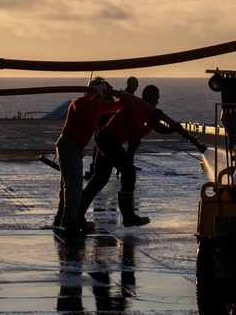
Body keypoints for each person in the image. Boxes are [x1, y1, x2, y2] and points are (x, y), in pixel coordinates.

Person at [76, 85, 190, 227]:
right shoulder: (134, 108)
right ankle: (128, 216)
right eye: (156, 98)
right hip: (108, 139)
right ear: (147, 97)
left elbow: (159, 129)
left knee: (100, 179)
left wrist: (173, 129)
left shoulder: (146, 110)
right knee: (128, 171)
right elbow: (136, 134)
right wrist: (154, 121)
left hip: (108, 140)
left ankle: (77, 215)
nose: (157, 101)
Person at [52, 78, 125, 238]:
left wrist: (124, 98)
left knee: (68, 184)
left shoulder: (97, 105)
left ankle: (61, 218)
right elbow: (85, 111)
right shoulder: (79, 102)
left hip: (75, 149)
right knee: (73, 185)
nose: (102, 94)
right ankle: (69, 221)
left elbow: (115, 107)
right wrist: (97, 95)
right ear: (90, 91)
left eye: (104, 91)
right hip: (68, 146)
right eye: (99, 89)